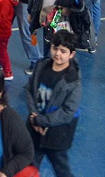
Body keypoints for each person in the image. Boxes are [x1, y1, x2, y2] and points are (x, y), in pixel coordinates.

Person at [23, 29, 81, 177]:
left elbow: (67, 112)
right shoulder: (42, 66)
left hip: (56, 135)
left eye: (63, 51)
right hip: (34, 129)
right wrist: (33, 115)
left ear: (71, 54)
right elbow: (29, 89)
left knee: (62, 169)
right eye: (55, 48)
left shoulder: (72, 80)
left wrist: (40, 120)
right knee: (28, 166)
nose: (57, 54)